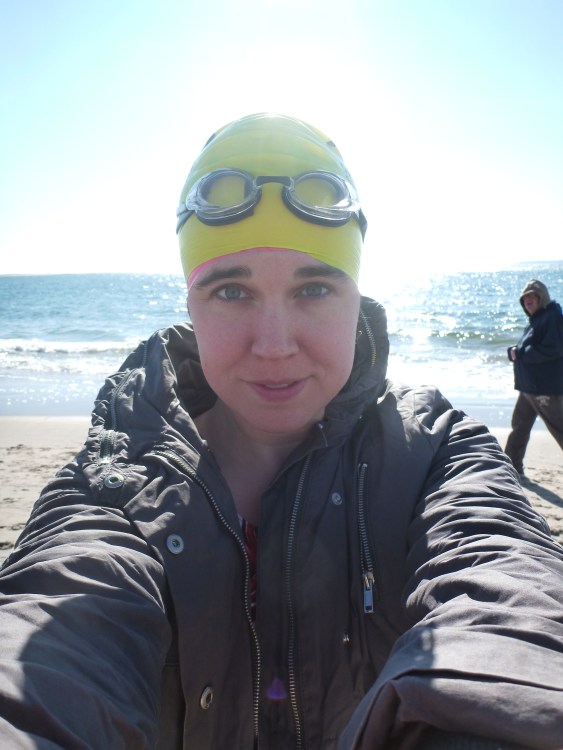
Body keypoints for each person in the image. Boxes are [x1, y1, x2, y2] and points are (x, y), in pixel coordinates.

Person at [1, 114, 563, 750]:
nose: (274, 345)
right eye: (231, 291)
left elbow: (508, 601)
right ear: (190, 304)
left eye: (314, 287)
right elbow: (56, 638)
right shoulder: (115, 485)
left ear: (358, 299)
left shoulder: (436, 452)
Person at [504, 278, 563, 478]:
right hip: (529, 388)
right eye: (525, 298)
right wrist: (515, 350)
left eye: (532, 297)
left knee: (559, 429)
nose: (528, 300)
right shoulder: (537, 319)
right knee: (519, 428)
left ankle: (511, 469)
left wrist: (521, 353)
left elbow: (554, 349)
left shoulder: (553, 317)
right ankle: (511, 470)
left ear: (542, 297)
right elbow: (531, 347)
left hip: (544, 389)